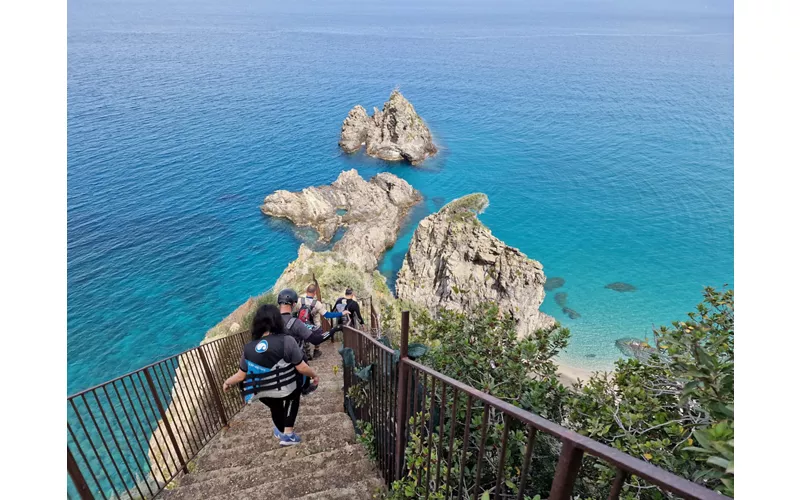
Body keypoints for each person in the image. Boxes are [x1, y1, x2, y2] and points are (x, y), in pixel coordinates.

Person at [222, 304, 319, 446]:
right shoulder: (287, 340)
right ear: (277, 321)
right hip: (286, 388)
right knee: (294, 392)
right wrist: (314, 375)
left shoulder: (248, 348)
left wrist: (227, 382)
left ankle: (281, 431)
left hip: (263, 393)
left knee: (275, 404)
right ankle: (288, 434)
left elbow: (240, 376)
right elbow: (302, 367)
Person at [276, 288, 343, 396]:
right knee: (303, 359)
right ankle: (305, 388)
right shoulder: (296, 323)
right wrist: (333, 330)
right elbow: (316, 339)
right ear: (293, 304)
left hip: (276, 363)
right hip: (294, 360)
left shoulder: (270, 321)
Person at [295, 284, 349, 360]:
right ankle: (316, 351)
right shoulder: (317, 304)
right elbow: (327, 315)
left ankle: (306, 352)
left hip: (302, 325)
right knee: (318, 333)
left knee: (304, 337)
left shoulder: (299, 301)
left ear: (306, 291)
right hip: (315, 327)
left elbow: (295, 312)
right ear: (314, 293)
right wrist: (341, 313)